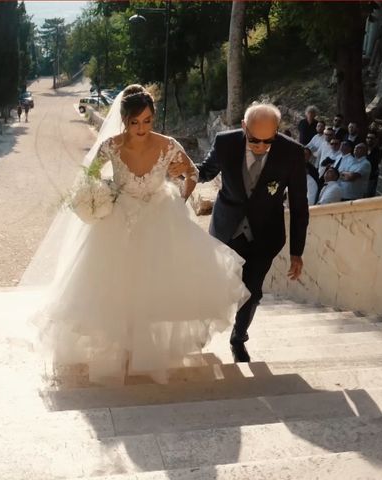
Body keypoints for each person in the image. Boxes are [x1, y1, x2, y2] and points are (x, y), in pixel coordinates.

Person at [25, 85, 249, 384]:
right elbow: (87, 178)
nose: (141, 128)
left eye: (147, 121)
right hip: (117, 221)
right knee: (115, 287)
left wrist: (180, 195)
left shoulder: (167, 145)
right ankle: (121, 349)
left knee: (153, 288)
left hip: (159, 220)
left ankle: (146, 349)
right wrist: (98, 194)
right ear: (125, 120)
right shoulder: (111, 146)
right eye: (135, 122)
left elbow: (192, 173)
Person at [172, 103, 309, 363]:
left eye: (267, 141)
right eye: (254, 140)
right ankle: (200, 334)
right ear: (244, 127)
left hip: (265, 236)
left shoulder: (292, 153)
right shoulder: (226, 143)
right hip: (225, 230)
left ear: (277, 131)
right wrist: (184, 172)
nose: (259, 147)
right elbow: (206, 171)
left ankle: (238, 338)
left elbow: (300, 207)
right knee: (214, 285)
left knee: (253, 292)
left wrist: (297, 252)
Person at [365, 131, 382, 197]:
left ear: (376, 140)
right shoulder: (364, 150)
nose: (369, 140)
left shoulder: (379, 152)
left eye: (372, 138)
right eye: (368, 138)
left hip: (371, 179)